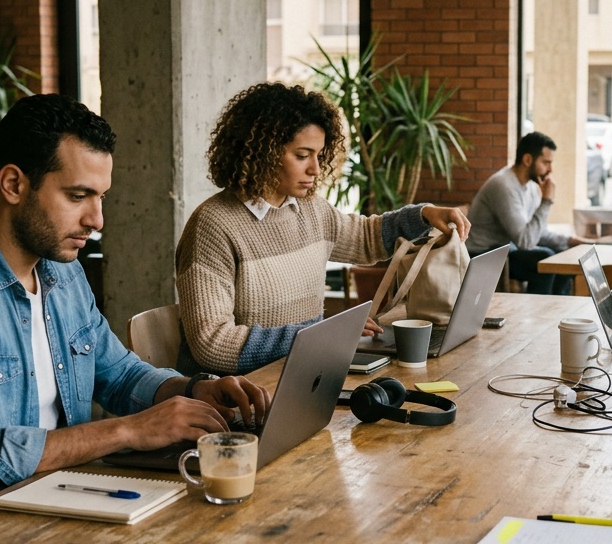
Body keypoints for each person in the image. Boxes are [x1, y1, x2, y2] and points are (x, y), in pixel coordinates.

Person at [0, 94, 271, 544]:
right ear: (13, 183)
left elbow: (117, 372)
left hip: (56, 513)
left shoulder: (61, 269)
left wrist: (193, 390)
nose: (97, 220)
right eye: (78, 196)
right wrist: (126, 432)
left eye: (101, 197)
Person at [175, 82, 470, 376]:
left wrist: (424, 214)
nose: (315, 169)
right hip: (242, 394)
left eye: (318, 154)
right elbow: (212, 344)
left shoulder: (310, 209)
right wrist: (322, 334)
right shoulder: (212, 226)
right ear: (261, 154)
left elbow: (366, 239)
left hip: (305, 375)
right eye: (302, 155)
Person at [465, 131, 586, 295]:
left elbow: (537, 233)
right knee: (544, 259)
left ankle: (556, 313)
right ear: (527, 159)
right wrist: (547, 201)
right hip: (484, 254)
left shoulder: (530, 186)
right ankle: (540, 315)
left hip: (508, 250)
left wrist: (570, 241)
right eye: (546, 162)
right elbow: (525, 241)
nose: (550, 170)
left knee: (565, 257)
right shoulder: (503, 186)